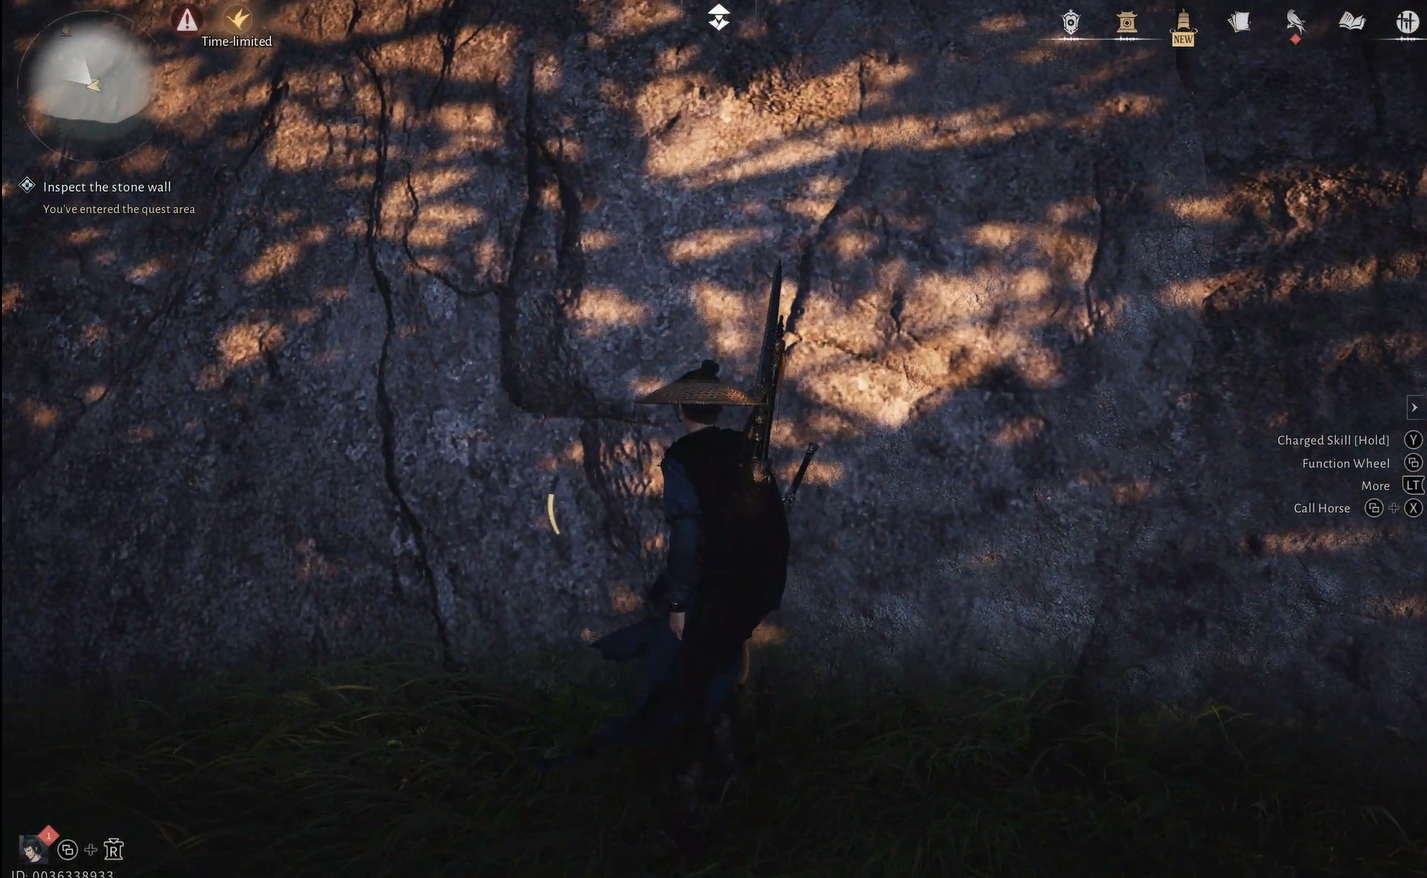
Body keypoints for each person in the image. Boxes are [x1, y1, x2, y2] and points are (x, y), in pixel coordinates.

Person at [584, 359, 790, 828]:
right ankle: (733, 778)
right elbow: (769, 524)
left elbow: (687, 542)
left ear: (683, 408)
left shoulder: (681, 459)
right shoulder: (746, 452)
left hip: (708, 592)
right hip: (745, 590)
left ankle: (694, 803)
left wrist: (677, 603)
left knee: (685, 687)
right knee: (715, 675)